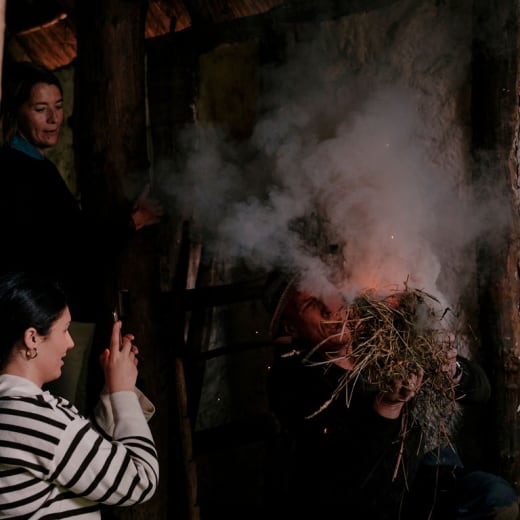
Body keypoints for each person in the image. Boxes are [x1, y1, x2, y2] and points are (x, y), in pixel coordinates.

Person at [262, 270, 518, 520]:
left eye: (327, 292)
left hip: (433, 476)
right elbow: (342, 477)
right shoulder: (293, 381)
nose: (330, 308)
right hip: (377, 502)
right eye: (310, 304)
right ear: (291, 327)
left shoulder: (377, 333)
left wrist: (452, 372)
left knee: (496, 495)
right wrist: (386, 406)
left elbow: (481, 391)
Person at [0, 60, 164, 410]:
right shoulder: (20, 173)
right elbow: (71, 244)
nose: (53, 119)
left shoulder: (37, 167)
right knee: (60, 407)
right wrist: (132, 222)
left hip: (54, 318)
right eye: (40, 109)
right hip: (45, 321)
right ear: (19, 112)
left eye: (58, 108)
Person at [0, 271, 159, 518]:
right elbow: (141, 480)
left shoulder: (17, 410)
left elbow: (80, 453)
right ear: (33, 338)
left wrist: (112, 388)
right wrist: (123, 393)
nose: (71, 343)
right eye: (64, 330)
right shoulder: (38, 421)